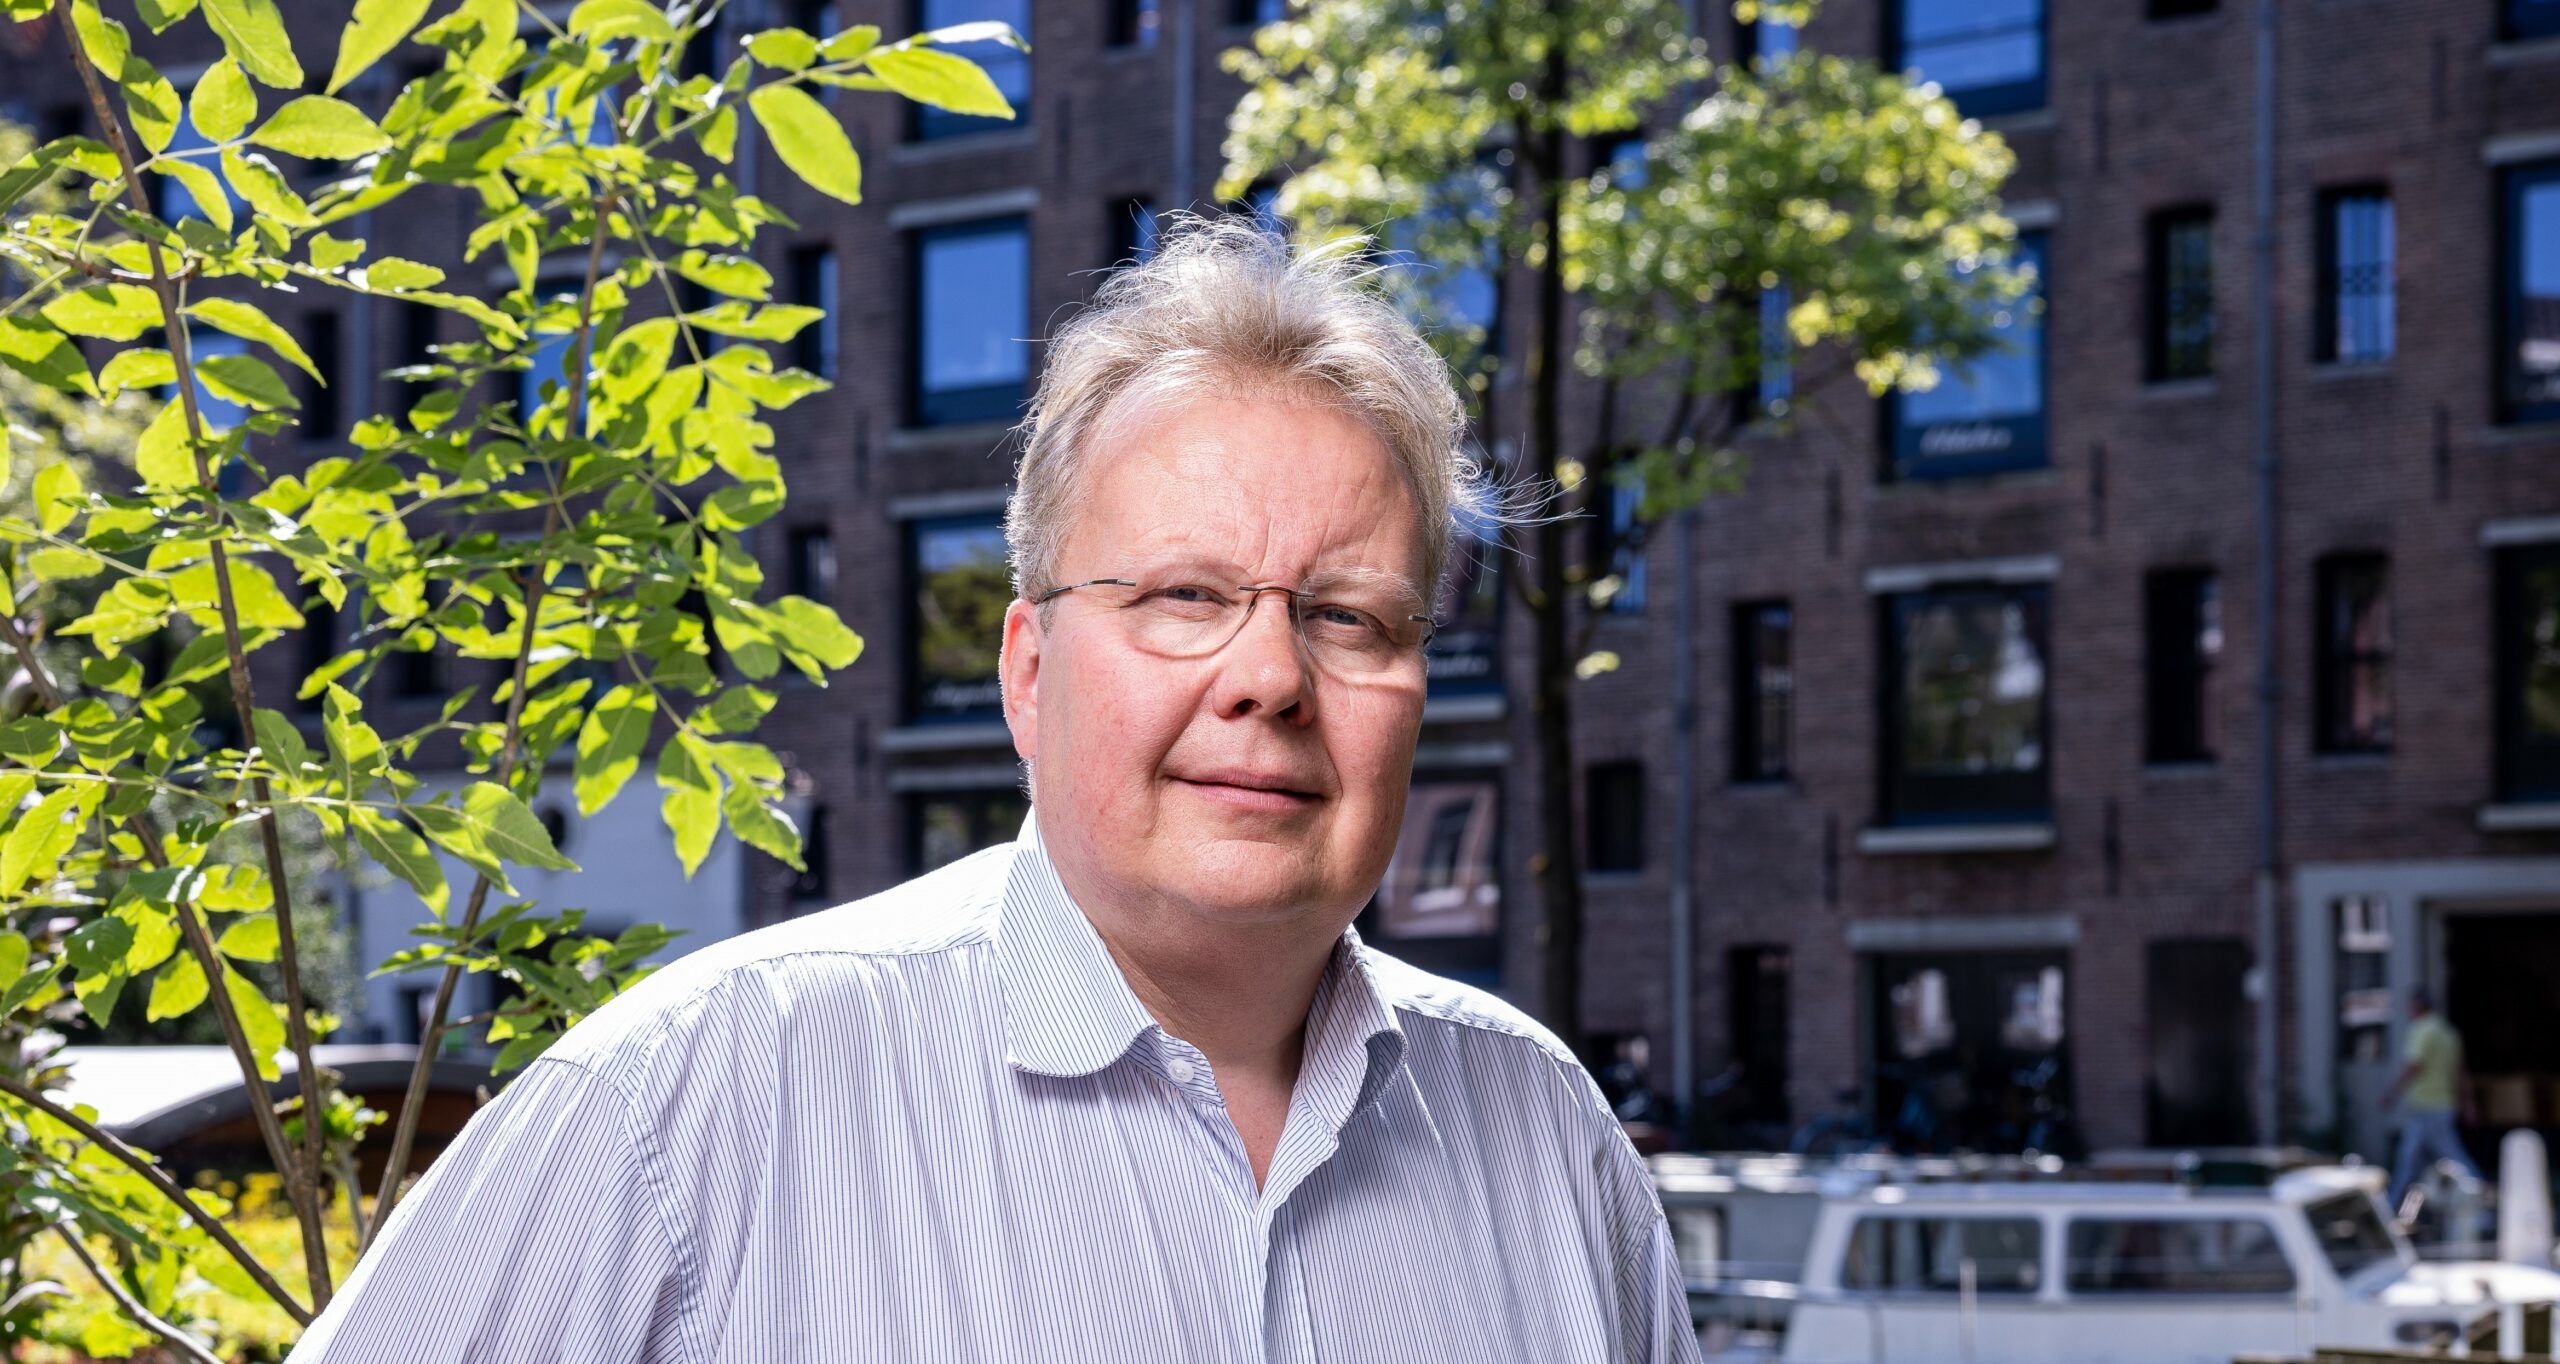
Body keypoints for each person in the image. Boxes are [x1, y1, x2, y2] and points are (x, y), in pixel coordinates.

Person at [288, 214, 1699, 1362]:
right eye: (1185, 595)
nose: (1270, 675)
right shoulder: (692, 1105)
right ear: (1029, 670)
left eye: (1348, 616)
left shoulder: (1548, 1141)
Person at [2383, 987, 2481, 1211]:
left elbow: (2414, 1066)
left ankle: (2480, 1196)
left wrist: (2391, 1092)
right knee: (2409, 1160)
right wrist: (2468, 1104)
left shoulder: (2421, 1030)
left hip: (2429, 1106)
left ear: (2417, 1006)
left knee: (2454, 1159)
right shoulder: (2449, 1033)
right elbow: (2461, 1072)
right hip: (2438, 1106)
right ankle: (2391, 1208)